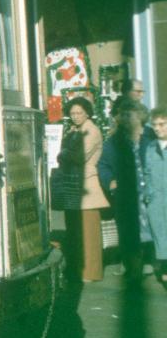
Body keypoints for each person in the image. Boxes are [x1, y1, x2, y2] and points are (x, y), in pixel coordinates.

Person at [98, 100, 149, 278]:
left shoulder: (150, 138)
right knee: (127, 228)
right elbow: (103, 164)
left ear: (140, 116)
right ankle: (131, 265)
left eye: (130, 115)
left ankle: (151, 260)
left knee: (152, 226)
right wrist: (109, 180)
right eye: (123, 116)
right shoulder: (114, 141)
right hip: (126, 193)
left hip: (150, 192)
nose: (125, 119)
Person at [61, 96, 106, 283]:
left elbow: (78, 156)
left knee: (89, 234)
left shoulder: (92, 131)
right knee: (75, 231)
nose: (75, 116)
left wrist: (62, 153)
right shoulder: (75, 131)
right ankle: (78, 269)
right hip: (74, 186)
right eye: (72, 113)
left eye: (79, 112)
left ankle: (91, 272)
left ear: (87, 112)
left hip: (88, 186)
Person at [140, 107, 167, 289]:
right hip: (157, 201)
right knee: (162, 239)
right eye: (155, 125)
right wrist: (148, 196)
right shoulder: (150, 148)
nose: (158, 128)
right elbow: (147, 174)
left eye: (162, 124)